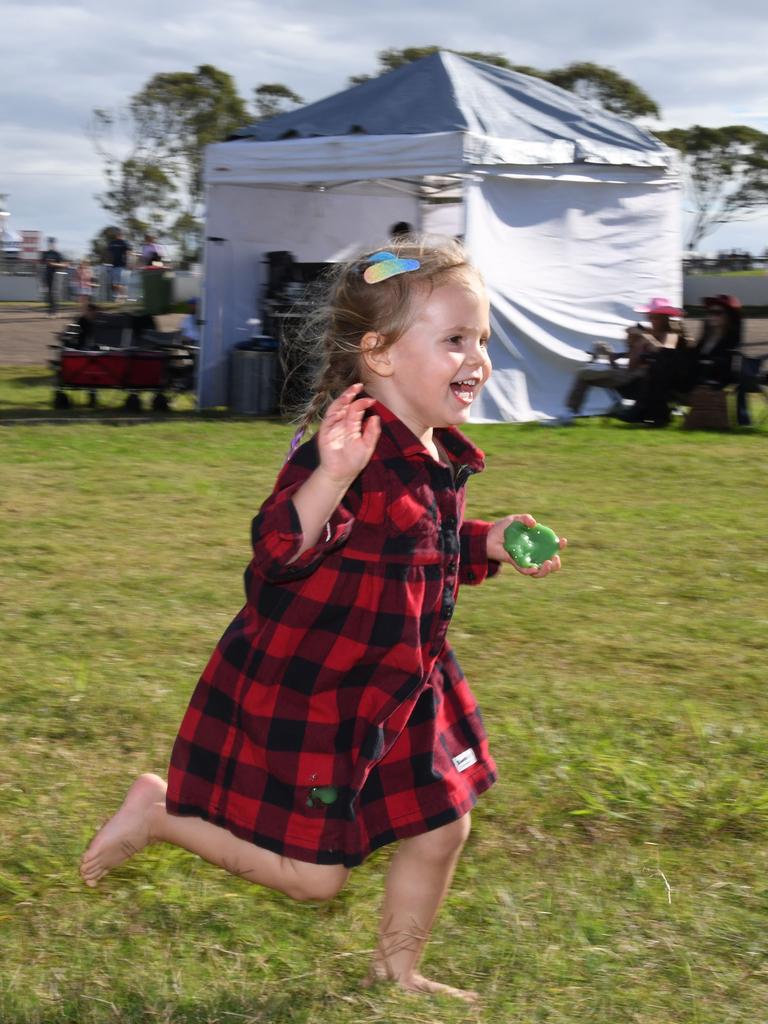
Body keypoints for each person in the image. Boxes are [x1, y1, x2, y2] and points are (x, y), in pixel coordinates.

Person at [79, 238, 565, 1002]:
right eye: (454, 340)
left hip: (403, 683)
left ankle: (396, 972)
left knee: (443, 826)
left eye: (481, 340)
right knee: (316, 880)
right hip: (323, 693)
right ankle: (162, 811)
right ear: (379, 354)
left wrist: (488, 541)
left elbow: (414, 548)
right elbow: (278, 551)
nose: (477, 359)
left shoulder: (431, 448)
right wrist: (330, 478)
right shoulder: (345, 448)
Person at [554, 297, 685, 425]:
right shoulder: (650, 332)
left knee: (584, 374)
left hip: (640, 378)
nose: (649, 319)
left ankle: (568, 413)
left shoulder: (670, 335)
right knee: (589, 366)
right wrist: (616, 353)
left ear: (664, 318)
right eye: (649, 316)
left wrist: (645, 337)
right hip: (629, 374)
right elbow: (632, 356)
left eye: (653, 317)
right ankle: (569, 412)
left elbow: (665, 353)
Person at [39, 237, 67, 315]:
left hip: (56, 275)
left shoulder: (57, 254)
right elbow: (41, 262)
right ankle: (49, 311)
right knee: (48, 293)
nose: (50, 244)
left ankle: (55, 311)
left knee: (54, 293)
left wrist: (54, 264)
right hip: (47, 274)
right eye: (49, 243)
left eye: (52, 243)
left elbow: (64, 265)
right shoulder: (45, 253)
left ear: (55, 244)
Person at [106, 230, 130, 302]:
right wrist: (108, 263)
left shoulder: (124, 242)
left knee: (121, 283)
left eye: (121, 234)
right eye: (118, 234)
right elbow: (108, 253)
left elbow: (128, 252)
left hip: (122, 265)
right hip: (113, 265)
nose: (119, 235)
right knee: (114, 284)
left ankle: (121, 297)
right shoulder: (112, 243)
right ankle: (122, 296)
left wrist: (129, 263)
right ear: (116, 235)